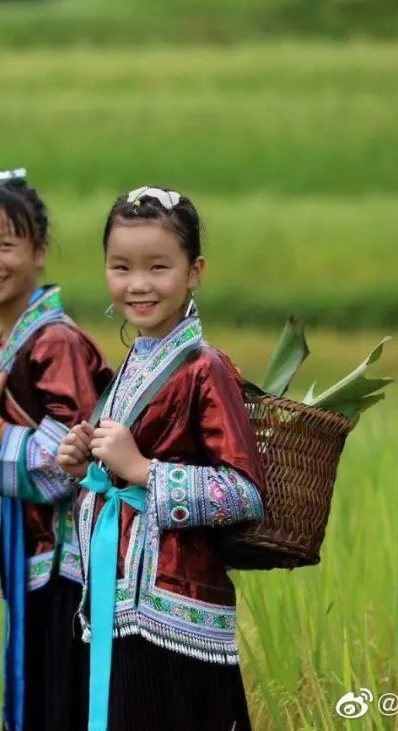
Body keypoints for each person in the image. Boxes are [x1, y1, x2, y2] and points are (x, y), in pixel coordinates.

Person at [58, 186, 266, 731]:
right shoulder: (135, 362)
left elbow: (244, 492)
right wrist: (89, 468)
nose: (139, 284)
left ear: (194, 271)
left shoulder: (206, 368)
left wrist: (142, 469)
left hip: (175, 614)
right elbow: (121, 470)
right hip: (121, 602)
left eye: (158, 266)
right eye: (121, 267)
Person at [0, 164, 112, 731]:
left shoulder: (55, 342)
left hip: (69, 572)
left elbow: (71, 463)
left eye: (6, 245)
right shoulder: (16, 344)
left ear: (39, 251)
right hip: (39, 564)